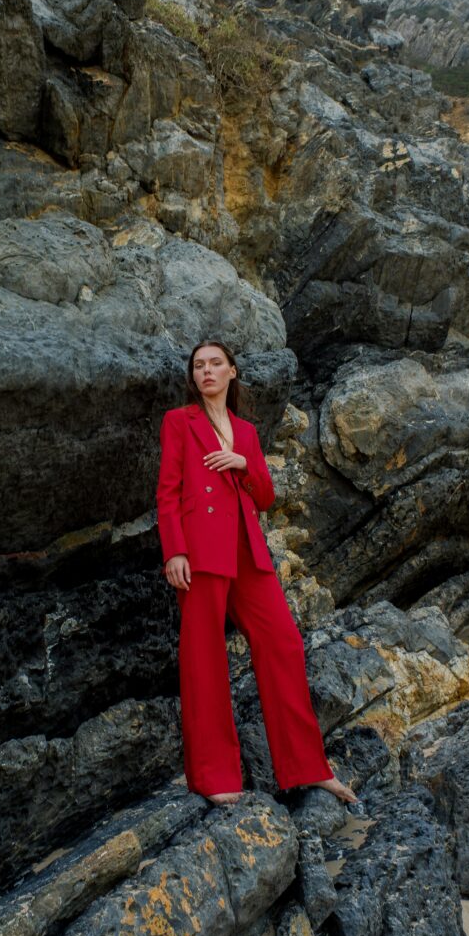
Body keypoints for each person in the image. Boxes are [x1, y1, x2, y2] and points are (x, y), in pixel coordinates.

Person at [156, 339, 358, 807]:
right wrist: (175, 552)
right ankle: (214, 778)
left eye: (215, 364)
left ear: (231, 372)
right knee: (204, 657)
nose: (206, 371)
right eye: (199, 366)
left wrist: (245, 464)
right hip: (201, 551)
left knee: (284, 643)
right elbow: (167, 491)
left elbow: (264, 497)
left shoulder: (246, 431)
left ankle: (309, 767)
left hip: (248, 551)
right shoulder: (179, 422)